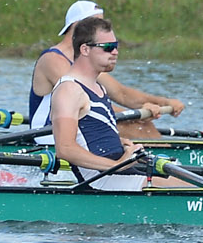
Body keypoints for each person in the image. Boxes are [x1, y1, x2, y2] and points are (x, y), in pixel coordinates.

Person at [25, 1, 186, 142]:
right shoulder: (52, 59)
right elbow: (85, 101)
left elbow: (121, 93)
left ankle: (165, 163)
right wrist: (136, 114)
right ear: (79, 24)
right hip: (51, 135)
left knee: (143, 125)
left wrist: (164, 102)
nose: (103, 29)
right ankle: (167, 165)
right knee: (138, 126)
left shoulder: (85, 57)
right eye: (98, 22)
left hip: (81, 124)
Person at [48, 16, 151, 191]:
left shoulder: (97, 87)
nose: (115, 52)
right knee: (198, 190)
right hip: (102, 181)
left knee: (187, 183)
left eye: (116, 46)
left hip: (119, 173)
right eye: (108, 47)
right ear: (85, 49)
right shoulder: (69, 90)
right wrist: (118, 164)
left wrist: (119, 143)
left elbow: (90, 136)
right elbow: (64, 149)